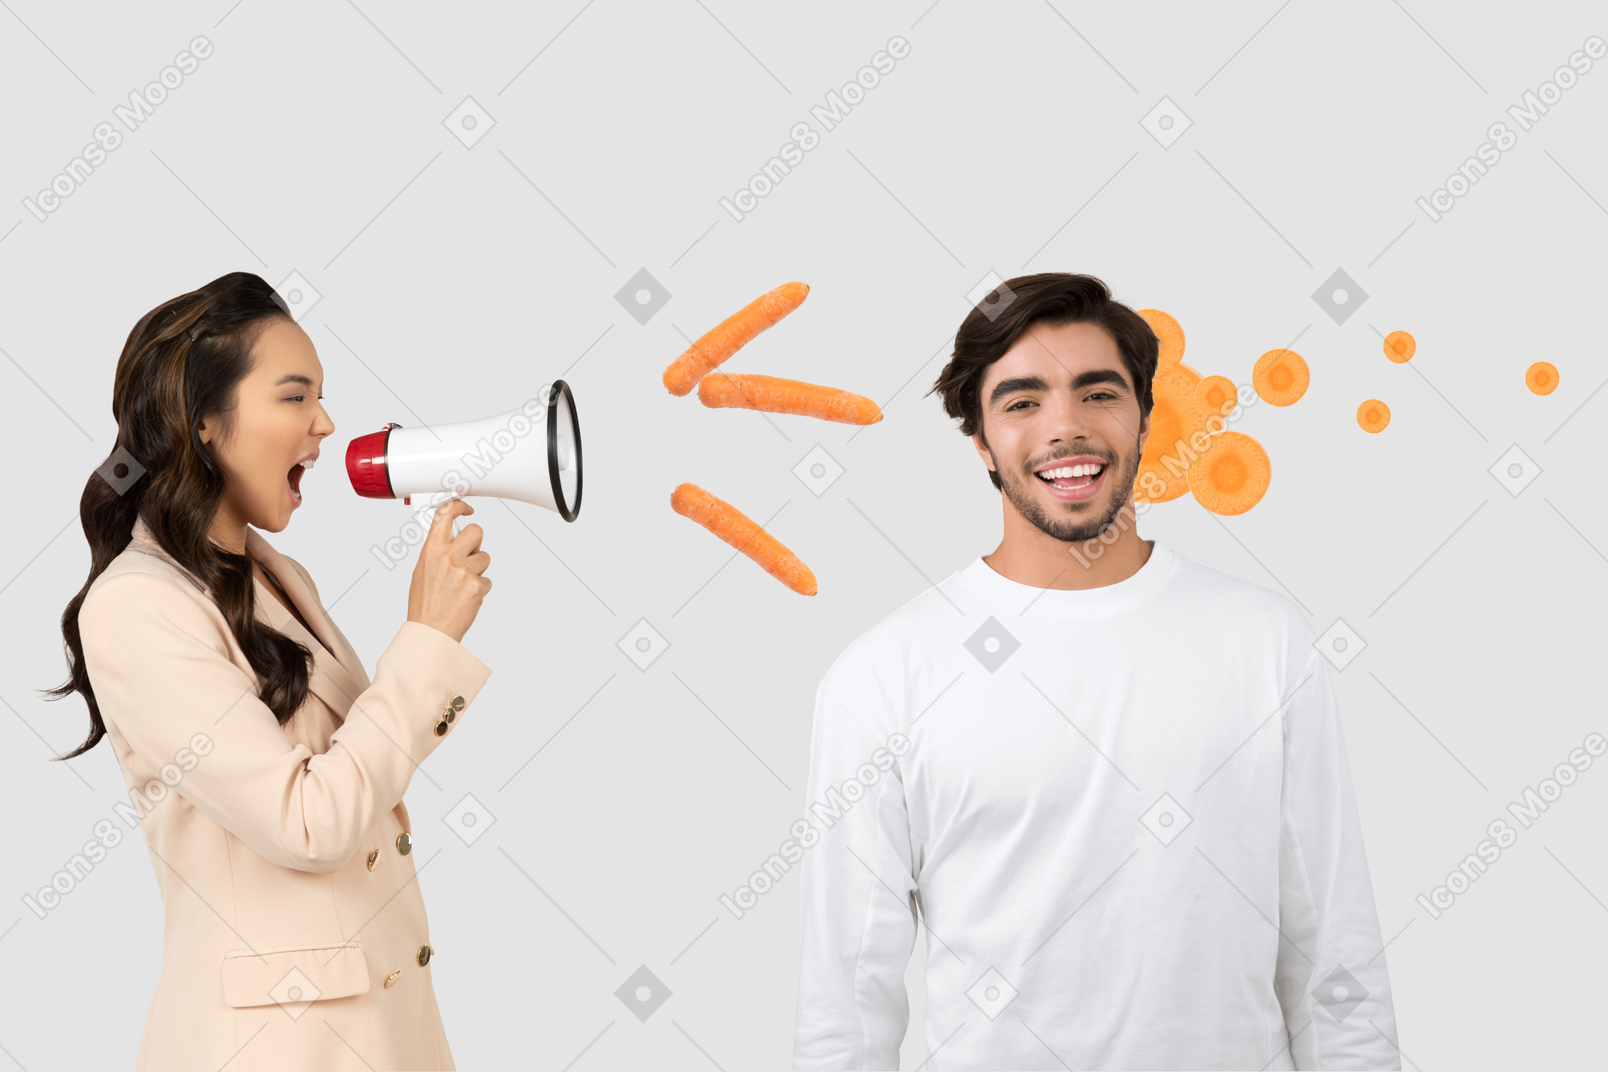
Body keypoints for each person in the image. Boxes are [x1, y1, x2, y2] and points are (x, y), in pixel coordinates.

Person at [791, 273, 1399, 1070]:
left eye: (1097, 392)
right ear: (980, 438)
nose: (1065, 429)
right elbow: (845, 1007)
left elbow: (1335, 969)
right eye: (1021, 401)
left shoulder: (1266, 642)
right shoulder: (884, 675)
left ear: (1145, 414)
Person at [46, 271, 494, 1071]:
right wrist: (425, 640)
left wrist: (429, 640)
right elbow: (308, 825)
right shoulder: (136, 606)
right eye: (295, 398)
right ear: (205, 423)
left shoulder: (277, 576)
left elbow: (364, 776)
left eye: (321, 397)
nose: (325, 424)